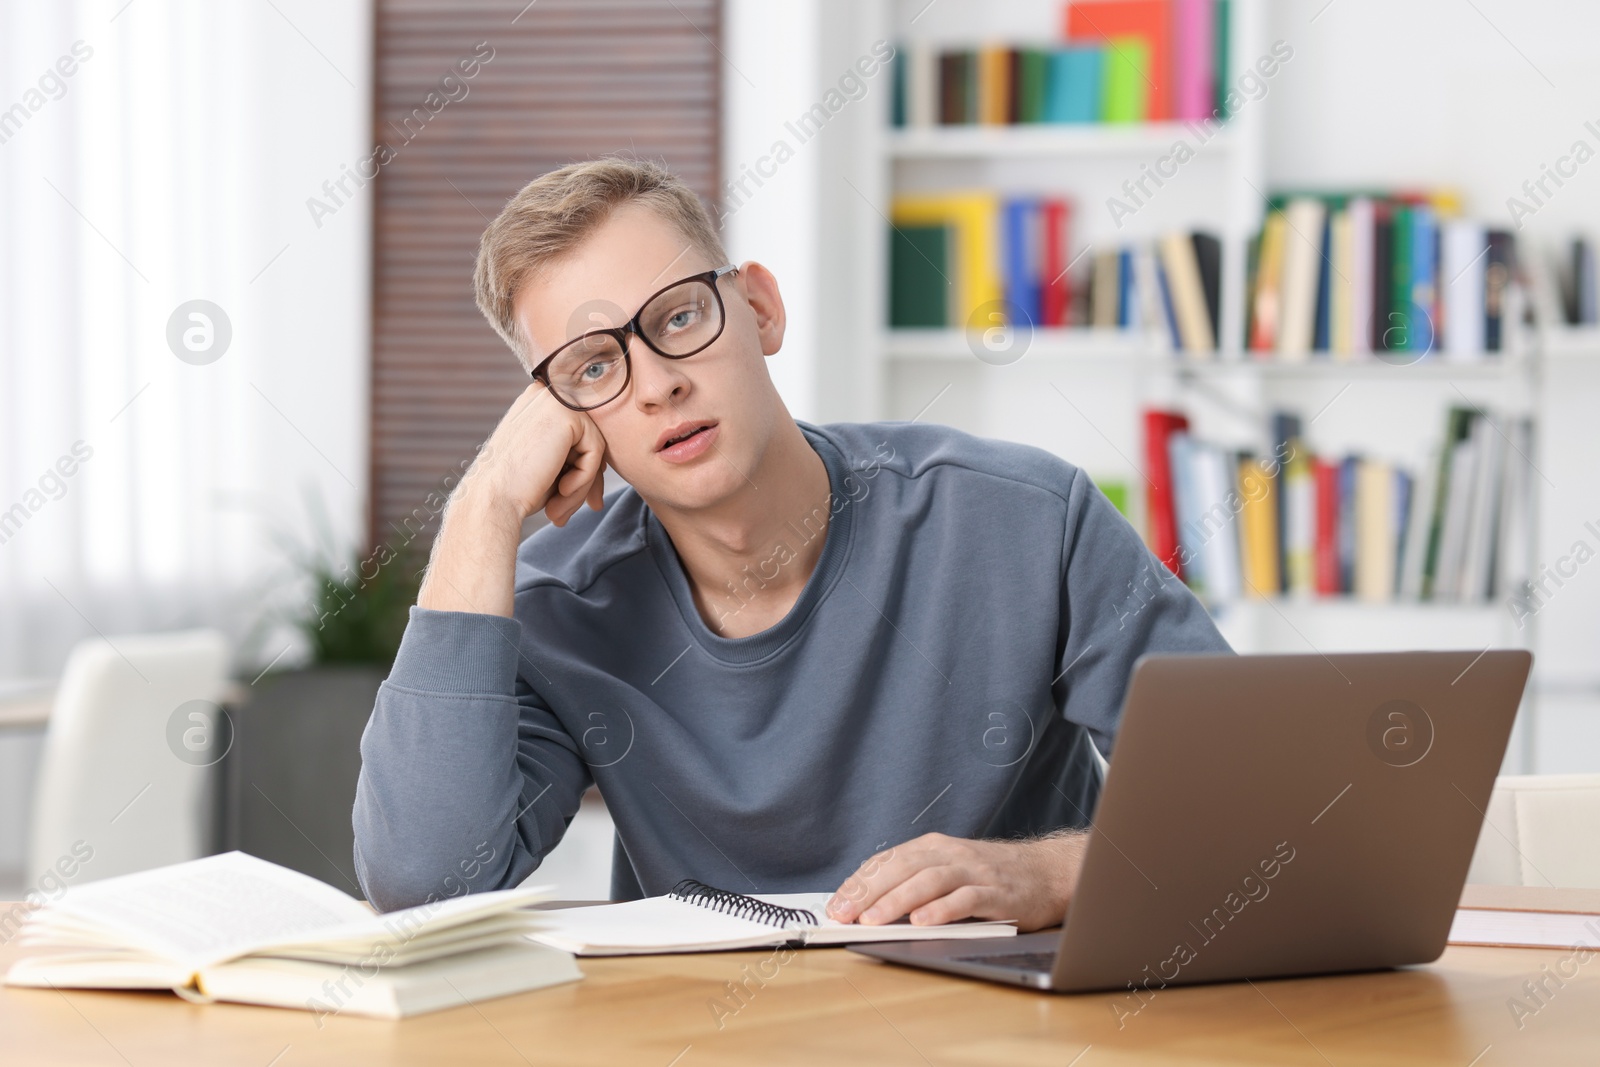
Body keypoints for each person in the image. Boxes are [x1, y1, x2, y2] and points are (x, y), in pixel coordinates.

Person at [352, 157, 1230, 931]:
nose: (657, 382)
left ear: (760, 309)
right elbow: (428, 884)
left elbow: (1265, 803)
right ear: (559, 418)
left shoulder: (1025, 519)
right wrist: (482, 505)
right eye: (593, 366)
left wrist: (1049, 874)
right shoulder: (556, 609)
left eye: (680, 316)